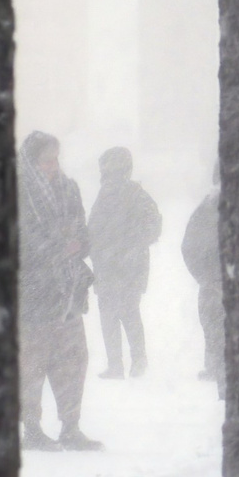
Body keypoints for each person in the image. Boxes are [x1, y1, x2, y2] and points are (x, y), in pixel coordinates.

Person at [17, 132, 100, 451]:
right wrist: (57, 246)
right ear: (31, 160)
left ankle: (71, 426)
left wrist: (78, 243)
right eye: (47, 160)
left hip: (68, 291)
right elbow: (21, 239)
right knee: (33, 363)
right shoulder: (18, 191)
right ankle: (32, 429)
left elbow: (82, 228)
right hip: (34, 293)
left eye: (56, 158)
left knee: (73, 360)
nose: (53, 165)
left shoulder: (69, 188)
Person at [89, 147, 163, 379]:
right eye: (107, 172)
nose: (109, 176)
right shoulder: (103, 195)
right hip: (107, 267)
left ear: (124, 170)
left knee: (129, 312)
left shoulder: (137, 194)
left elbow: (154, 225)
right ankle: (115, 365)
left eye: (113, 171)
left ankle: (138, 360)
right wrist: (93, 247)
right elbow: (93, 228)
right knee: (108, 315)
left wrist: (132, 246)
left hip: (129, 268)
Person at [181, 172, 224, 388]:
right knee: (214, 324)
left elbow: (189, 246)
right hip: (216, 280)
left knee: (213, 324)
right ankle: (217, 368)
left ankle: (216, 367)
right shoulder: (207, 209)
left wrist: (205, 277)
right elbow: (189, 246)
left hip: (212, 281)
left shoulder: (206, 208)